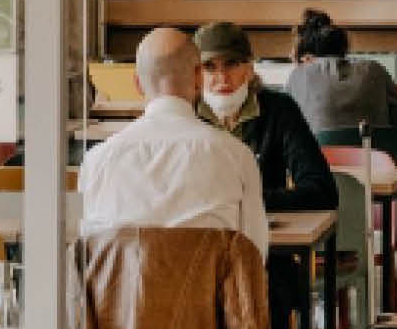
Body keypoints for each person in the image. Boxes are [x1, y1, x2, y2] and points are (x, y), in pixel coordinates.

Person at [192, 21, 334, 329]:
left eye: (232, 64)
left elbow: (321, 190)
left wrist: (250, 199)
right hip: (196, 256)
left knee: (265, 296)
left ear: (250, 68)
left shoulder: (278, 110)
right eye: (210, 67)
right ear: (195, 73)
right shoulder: (183, 114)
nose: (222, 77)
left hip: (264, 253)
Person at [80, 28, 268, 254]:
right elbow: (255, 255)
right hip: (209, 289)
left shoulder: (96, 161)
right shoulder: (236, 155)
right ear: (198, 77)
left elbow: (90, 254)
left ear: (137, 84)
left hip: (124, 289)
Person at [283, 8, 397, 132]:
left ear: (308, 58)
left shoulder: (299, 76)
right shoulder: (374, 70)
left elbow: (283, 130)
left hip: (318, 157)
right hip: (374, 158)